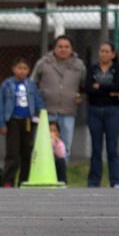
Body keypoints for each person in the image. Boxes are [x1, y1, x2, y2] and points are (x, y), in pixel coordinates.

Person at [31, 35, 86, 163]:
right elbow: (32, 83)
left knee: (64, 145)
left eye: (67, 47)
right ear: (54, 48)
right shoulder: (43, 63)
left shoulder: (79, 65)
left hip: (68, 112)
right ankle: (43, 173)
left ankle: (61, 175)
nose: (63, 49)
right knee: (44, 144)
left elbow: (85, 85)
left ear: (72, 49)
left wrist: (80, 96)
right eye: (60, 46)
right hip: (46, 111)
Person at [0, 57, 45, 188]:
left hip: (28, 121)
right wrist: (1, 123)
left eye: (25, 68)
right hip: (13, 121)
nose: (22, 71)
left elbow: (38, 101)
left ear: (29, 71)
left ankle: (23, 180)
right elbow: (1, 105)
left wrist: (43, 115)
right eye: (19, 68)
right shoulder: (7, 84)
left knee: (27, 152)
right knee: (12, 152)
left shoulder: (31, 85)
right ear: (13, 69)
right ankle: (8, 180)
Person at [85, 41, 119, 188]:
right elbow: (88, 88)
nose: (103, 54)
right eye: (101, 51)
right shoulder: (93, 69)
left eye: (107, 51)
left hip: (113, 111)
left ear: (113, 54)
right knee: (96, 148)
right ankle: (94, 181)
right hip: (95, 110)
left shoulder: (117, 69)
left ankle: (116, 181)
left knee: (112, 148)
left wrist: (100, 86)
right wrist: (109, 90)